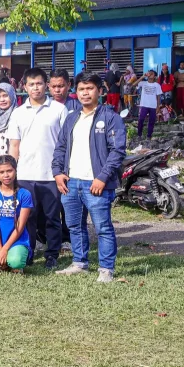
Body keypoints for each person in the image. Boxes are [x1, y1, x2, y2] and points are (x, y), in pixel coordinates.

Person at [52, 70, 126, 283]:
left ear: (100, 91)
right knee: (75, 225)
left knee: (102, 227)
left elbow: (117, 151)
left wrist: (102, 177)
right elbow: (60, 148)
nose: (85, 93)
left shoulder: (110, 118)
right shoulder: (72, 118)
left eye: (90, 88)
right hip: (71, 182)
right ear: (76, 91)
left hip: (97, 183)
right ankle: (79, 263)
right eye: (81, 89)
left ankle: (106, 268)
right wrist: (58, 172)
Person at [7, 67, 68, 269]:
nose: (36, 88)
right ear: (25, 86)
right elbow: (14, 146)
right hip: (25, 175)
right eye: (31, 84)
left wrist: (62, 171)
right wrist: (12, 174)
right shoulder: (17, 113)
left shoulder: (59, 110)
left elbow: (66, 143)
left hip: (52, 175)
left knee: (52, 217)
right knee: (28, 218)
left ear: (46, 85)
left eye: (40, 83)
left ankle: (52, 254)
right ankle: (29, 252)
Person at [135, 70, 163, 141]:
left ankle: (149, 136)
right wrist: (142, 77)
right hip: (144, 105)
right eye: (149, 73)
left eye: (152, 73)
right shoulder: (143, 83)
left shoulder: (157, 85)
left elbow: (158, 96)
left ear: (154, 76)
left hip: (153, 106)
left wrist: (158, 107)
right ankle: (139, 135)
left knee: (152, 121)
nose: (150, 74)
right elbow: (133, 84)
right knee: (141, 119)